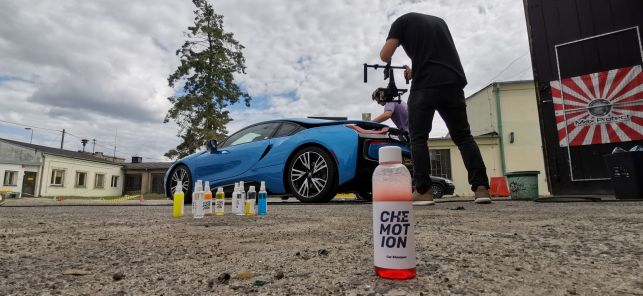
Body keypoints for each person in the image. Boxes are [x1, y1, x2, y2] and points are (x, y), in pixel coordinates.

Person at [379, 12, 492, 205]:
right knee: (463, 136)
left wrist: (397, 44)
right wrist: (414, 70)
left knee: (418, 138)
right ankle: (481, 189)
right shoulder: (440, 22)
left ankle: (423, 190)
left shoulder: (401, 22)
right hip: (453, 82)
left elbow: (385, 55)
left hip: (425, 86)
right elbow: (435, 56)